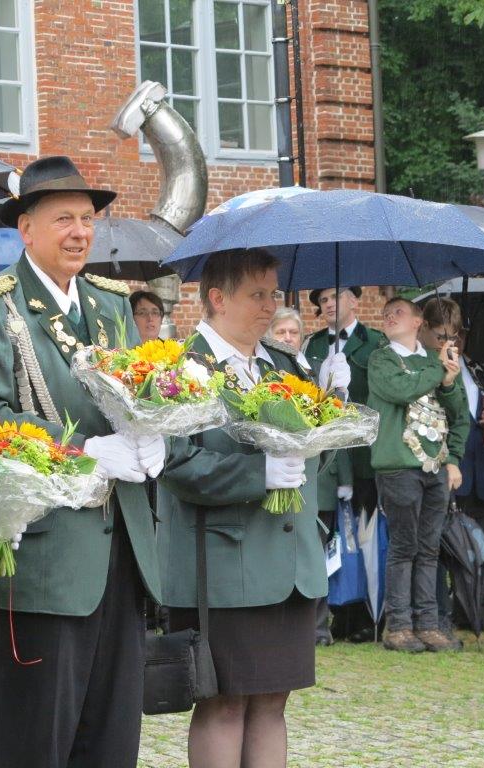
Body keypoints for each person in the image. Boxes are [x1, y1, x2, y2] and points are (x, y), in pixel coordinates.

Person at [0, 155, 164, 768]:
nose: (79, 232)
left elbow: (135, 388)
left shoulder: (109, 304)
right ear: (26, 229)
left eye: (88, 219)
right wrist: (86, 450)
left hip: (120, 549)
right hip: (45, 553)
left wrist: (153, 433)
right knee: (37, 739)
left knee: (112, 738)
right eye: (63, 218)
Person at [158, 250, 345, 768]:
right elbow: (174, 463)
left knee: (272, 701)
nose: (271, 307)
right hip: (222, 563)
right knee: (224, 703)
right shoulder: (181, 365)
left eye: (274, 294)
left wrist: (332, 404)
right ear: (217, 298)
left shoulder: (281, 364)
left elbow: (312, 459)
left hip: (287, 564)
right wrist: (255, 475)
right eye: (257, 295)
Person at [368, 297, 468, 653]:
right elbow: (400, 390)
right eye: (386, 314)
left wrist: (450, 382)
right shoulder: (381, 359)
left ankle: (428, 624)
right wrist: (437, 372)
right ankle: (398, 625)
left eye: (398, 312)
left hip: (434, 466)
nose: (389, 317)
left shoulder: (434, 361)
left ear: (417, 320)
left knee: (428, 549)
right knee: (403, 547)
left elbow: (459, 414)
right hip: (398, 466)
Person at [267, 307, 353, 646]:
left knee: (315, 554)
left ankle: (315, 626)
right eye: (281, 332)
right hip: (277, 472)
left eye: (293, 333)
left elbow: (330, 428)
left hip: (314, 477)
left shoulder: (310, 369)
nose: (288, 338)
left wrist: (336, 391)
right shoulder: (269, 368)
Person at [304, 286, 385, 642]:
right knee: (331, 534)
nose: (330, 303)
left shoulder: (376, 342)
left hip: (365, 454)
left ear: (356, 300)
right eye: (323, 300)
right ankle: (332, 613)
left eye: (336, 297)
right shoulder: (314, 345)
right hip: (330, 454)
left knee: (365, 536)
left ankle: (363, 616)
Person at [421, 297, 484, 632]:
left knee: (480, 548)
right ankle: (440, 613)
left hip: (482, 475)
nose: (452, 343)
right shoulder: (427, 372)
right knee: (440, 547)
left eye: (457, 336)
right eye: (444, 337)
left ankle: (477, 612)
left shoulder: (481, 371)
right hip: (443, 470)